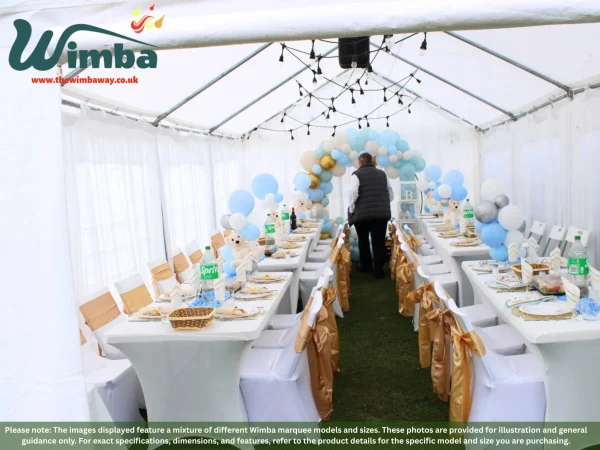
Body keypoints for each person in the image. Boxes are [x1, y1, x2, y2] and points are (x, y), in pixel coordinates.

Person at [348, 153, 394, 278]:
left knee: (363, 240)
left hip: (362, 215)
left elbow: (353, 192)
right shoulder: (382, 174)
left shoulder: (356, 174)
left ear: (361, 162)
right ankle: (379, 270)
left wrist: (351, 209)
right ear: (371, 161)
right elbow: (390, 193)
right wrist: (383, 203)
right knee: (378, 241)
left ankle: (366, 266)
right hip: (381, 215)